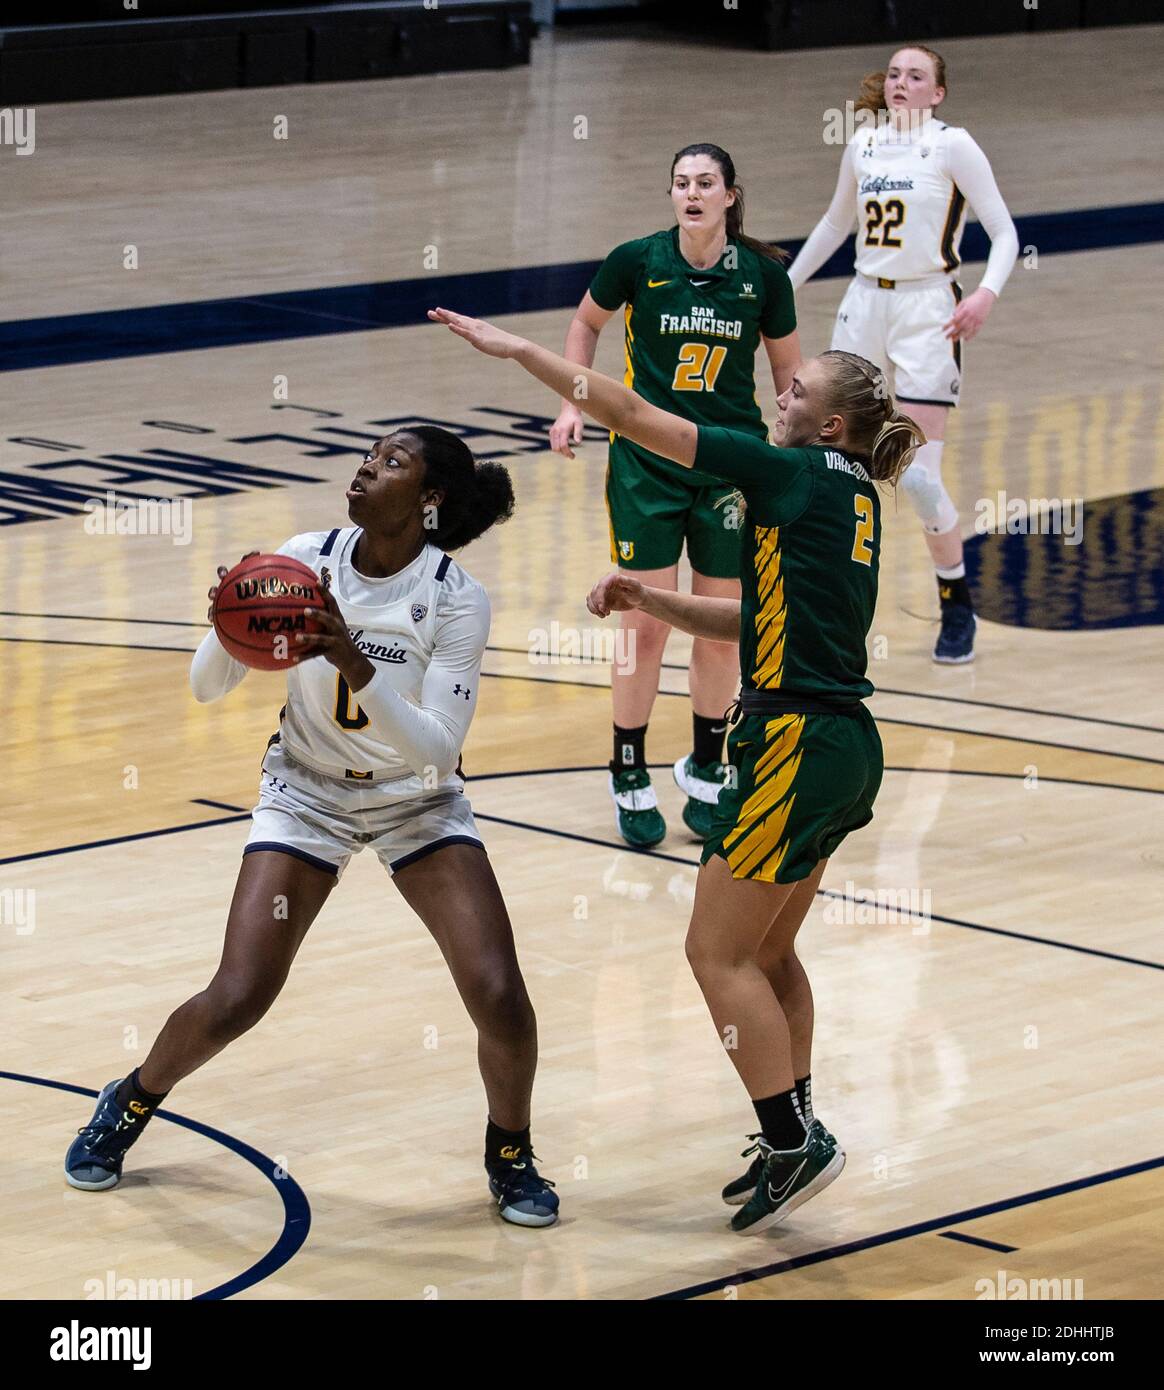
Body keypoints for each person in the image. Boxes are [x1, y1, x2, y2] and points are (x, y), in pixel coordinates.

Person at [429, 305, 922, 1232]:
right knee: (768, 953)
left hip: (792, 744)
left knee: (714, 952)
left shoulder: (787, 469)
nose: (783, 390)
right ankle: (795, 1127)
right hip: (842, 747)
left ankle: (790, 1142)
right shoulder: (850, 495)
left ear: (828, 425)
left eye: (799, 388)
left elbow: (636, 415)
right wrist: (653, 597)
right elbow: (764, 625)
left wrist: (523, 351)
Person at [64, 427, 559, 1228]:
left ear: (429, 501)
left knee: (500, 993)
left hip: (417, 799)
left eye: (393, 462)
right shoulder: (304, 559)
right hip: (307, 792)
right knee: (239, 994)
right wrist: (230, 620)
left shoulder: (455, 597)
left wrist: (353, 659)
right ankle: (130, 1099)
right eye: (368, 454)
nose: (367, 467)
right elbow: (203, 690)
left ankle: (510, 1153)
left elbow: (438, 747)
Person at [550, 143, 800, 844]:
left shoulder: (762, 278)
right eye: (681, 183)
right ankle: (627, 764)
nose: (691, 193)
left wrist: (803, 455)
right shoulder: (636, 261)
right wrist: (575, 403)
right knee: (645, 624)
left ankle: (708, 763)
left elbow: (789, 379)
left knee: (722, 629)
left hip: (730, 466)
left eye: (705, 183)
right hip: (647, 465)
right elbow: (585, 324)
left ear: (729, 195)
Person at [788, 44, 1018, 662]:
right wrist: (786, 286)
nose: (901, 83)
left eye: (916, 76)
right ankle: (824, 600)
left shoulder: (953, 146)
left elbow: (1003, 230)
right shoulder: (862, 146)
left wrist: (986, 295)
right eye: (894, 74)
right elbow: (836, 225)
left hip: (929, 310)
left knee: (914, 472)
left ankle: (956, 602)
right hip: (865, 300)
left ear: (937, 92)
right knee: (830, 459)